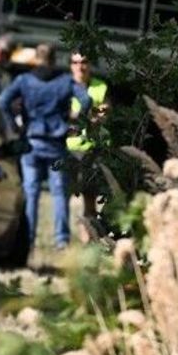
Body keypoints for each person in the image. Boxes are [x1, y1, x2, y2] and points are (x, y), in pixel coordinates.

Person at [0, 43, 92, 250]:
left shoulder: (24, 80)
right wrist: (75, 121)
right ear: (54, 59)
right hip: (57, 144)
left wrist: (14, 125)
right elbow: (86, 100)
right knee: (59, 193)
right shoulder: (65, 81)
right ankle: (61, 240)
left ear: (36, 59)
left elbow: (3, 101)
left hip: (31, 142)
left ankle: (28, 239)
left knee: (31, 193)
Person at [65, 52, 109, 241]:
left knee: (90, 197)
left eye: (84, 62)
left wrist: (78, 117)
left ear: (90, 64)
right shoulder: (64, 85)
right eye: (75, 62)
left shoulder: (100, 86)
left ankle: (87, 238)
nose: (80, 67)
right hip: (68, 147)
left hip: (92, 148)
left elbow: (104, 113)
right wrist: (86, 117)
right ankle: (63, 240)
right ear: (70, 65)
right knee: (62, 194)